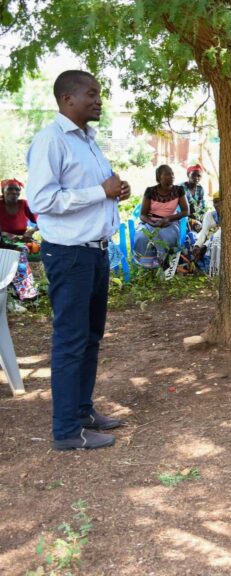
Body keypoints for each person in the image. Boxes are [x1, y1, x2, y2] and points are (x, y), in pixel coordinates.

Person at [24, 70, 131, 450]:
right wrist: (100, 191)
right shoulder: (51, 140)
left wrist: (115, 191)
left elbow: (95, 191)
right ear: (67, 99)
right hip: (69, 254)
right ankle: (67, 430)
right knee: (71, 340)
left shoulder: (88, 140)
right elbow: (42, 200)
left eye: (99, 94)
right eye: (92, 93)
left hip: (94, 252)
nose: (99, 100)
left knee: (90, 338)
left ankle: (83, 411)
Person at [132, 164, 189, 269]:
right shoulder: (150, 191)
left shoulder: (179, 190)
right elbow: (142, 214)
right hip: (150, 222)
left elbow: (186, 211)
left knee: (166, 237)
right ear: (159, 176)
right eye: (167, 174)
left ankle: (164, 265)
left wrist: (168, 218)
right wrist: (152, 223)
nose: (171, 176)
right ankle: (147, 266)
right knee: (142, 237)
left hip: (170, 223)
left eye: (172, 174)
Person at [0, 178, 40, 306]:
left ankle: (22, 290)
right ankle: (25, 292)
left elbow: (42, 221)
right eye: (10, 189)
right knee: (19, 252)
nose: (14, 192)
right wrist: (6, 234)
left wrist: (30, 231)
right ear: (3, 191)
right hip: (2, 241)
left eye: (17, 189)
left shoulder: (24, 204)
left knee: (28, 248)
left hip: (21, 240)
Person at [180, 164, 206, 230]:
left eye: (199, 176)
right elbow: (178, 209)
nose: (196, 178)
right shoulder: (180, 188)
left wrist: (203, 218)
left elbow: (202, 207)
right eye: (193, 175)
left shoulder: (200, 189)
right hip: (183, 217)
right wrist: (191, 220)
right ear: (188, 174)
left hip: (197, 218)